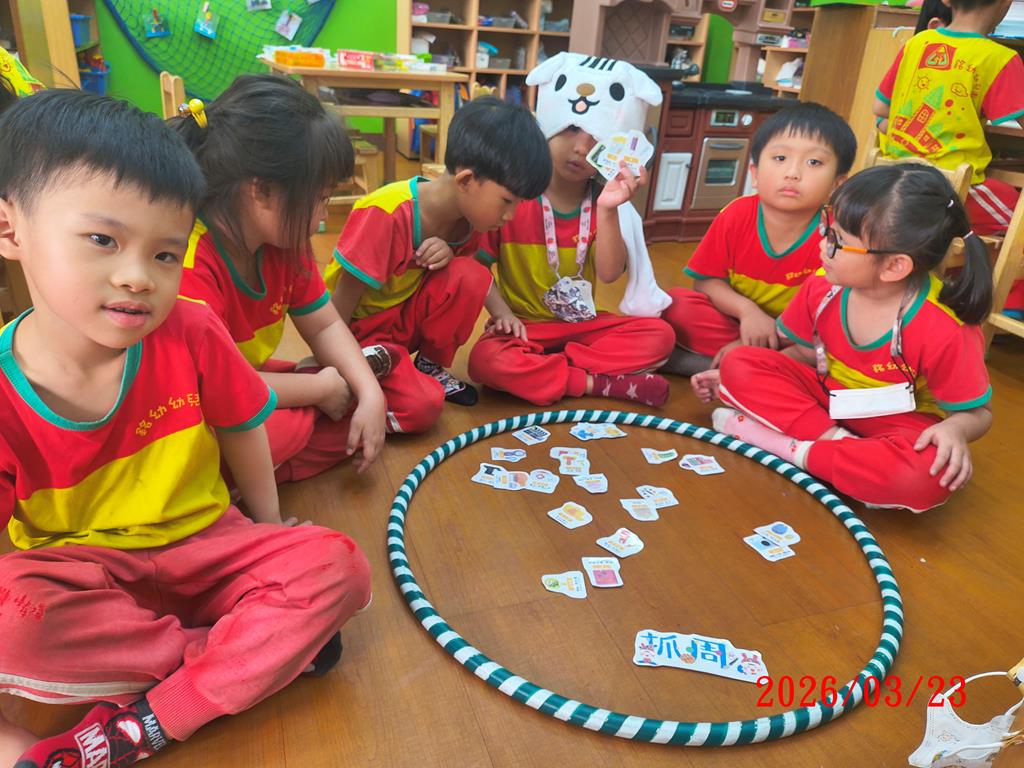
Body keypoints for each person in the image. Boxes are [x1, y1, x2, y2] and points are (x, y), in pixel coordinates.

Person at [0, 89, 370, 767]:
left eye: (166, 255)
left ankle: (156, 714)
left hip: (208, 545)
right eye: (103, 240)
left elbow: (244, 428)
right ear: (10, 229)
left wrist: (266, 525)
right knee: (10, 622)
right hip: (87, 572)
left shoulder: (191, 329)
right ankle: (242, 655)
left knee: (336, 566)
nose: (138, 277)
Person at [695, 164, 993, 512]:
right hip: (826, 400)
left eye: (838, 241)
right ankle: (836, 451)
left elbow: (977, 413)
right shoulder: (822, 285)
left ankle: (787, 448)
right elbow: (804, 354)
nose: (822, 245)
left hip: (896, 421)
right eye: (828, 229)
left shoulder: (946, 327)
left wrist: (955, 430)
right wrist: (742, 377)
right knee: (738, 361)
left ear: (894, 266)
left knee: (929, 476)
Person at [174, 75, 387, 483]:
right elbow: (214, 390)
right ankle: (248, 473)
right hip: (210, 406)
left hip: (256, 383)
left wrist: (369, 393)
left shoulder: (285, 243)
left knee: (396, 396)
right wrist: (319, 389)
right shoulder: (191, 262)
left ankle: (255, 472)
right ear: (263, 191)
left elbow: (324, 325)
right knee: (272, 432)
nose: (322, 216)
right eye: (320, 198)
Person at [468, 53, 676, 407]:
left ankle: (547, 371)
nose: (581, 147)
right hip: (524, 328)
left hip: (582, 327)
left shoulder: (603, 204)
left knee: (660, 335)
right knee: (484, 361)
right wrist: (503, 314)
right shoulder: (510, 199)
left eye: (596, 136)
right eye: (570, 129)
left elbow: (609, 274)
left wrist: (608, 210)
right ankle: (597, 382)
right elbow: (475, 267)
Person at [325, 97, 551, 418]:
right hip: (357, 333)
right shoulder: (386, 213)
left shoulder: (472, 220)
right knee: (422, 407)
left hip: (401, 323)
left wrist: (503, 313)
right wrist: (334, 364)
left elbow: (471, 280)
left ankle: (426, 366)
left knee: (470, 273)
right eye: (507, 201)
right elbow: (339, 306)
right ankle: (358, 387)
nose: (510, 216)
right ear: (466, 180)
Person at [661, 102, 857, 375]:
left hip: (798, 337)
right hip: (740, 323)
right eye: (780, 158)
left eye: (814, 162)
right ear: (754, 173)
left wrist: (754, 340)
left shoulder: (836, 234)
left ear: (837, 185)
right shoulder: (735, 215)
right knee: (676, 305)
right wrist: (748, 312)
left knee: (838, 340)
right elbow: (705, 282)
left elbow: (833, 310)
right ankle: (752, 365)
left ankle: (737, 363)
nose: (793, 173)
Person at [874, 0, 1024, 313]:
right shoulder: (999, 58)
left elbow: (880, 109)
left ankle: (950, 288)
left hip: (894, 181)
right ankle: (1008, 306)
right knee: (1016, 219)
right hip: (948, 190)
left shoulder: (917, 43)